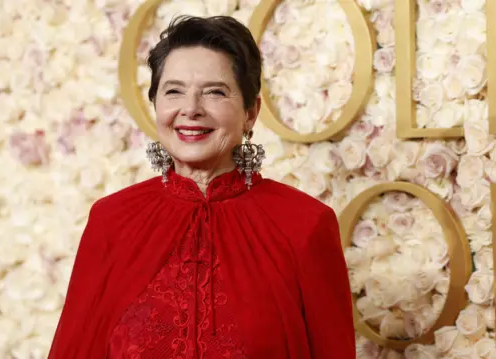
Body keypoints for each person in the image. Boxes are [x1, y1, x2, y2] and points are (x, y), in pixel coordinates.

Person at [48, 15, 355, 359]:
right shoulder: (112, 221)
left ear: (251, 112)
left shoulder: (304, 225)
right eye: (174, 91)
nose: (191, 109)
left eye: (214, 92)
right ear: (156, 106)